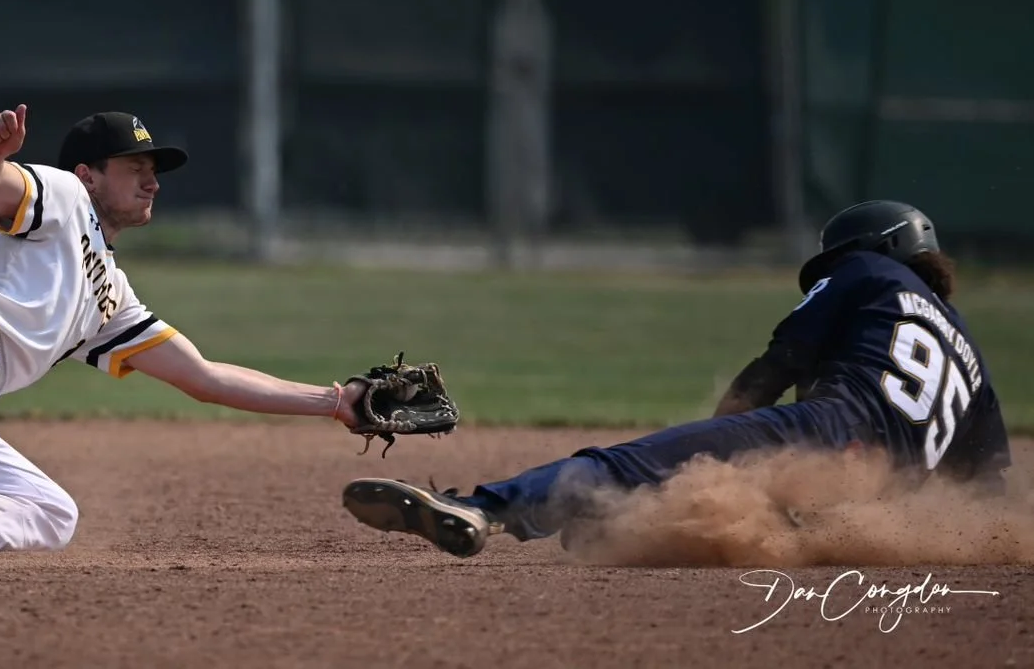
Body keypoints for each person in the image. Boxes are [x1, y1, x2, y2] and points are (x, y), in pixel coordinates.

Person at [0, 106, 370, 557]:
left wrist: (336, 402)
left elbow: (206, 378)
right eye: (135, 167)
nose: (152, 181)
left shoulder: (111, 295)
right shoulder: (61, 194)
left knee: (50, 511)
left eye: (154, 171)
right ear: (88, 174)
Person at [341, 200, 1013, 558]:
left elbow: (772, 369)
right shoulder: (972, 363)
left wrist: (707, 446)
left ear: (878, 248)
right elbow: (981, 494)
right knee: (726, 512)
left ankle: (482, 508)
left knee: (628, 463)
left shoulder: (866, 272)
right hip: (875, 492)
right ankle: (623, 523)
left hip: (833, 427)